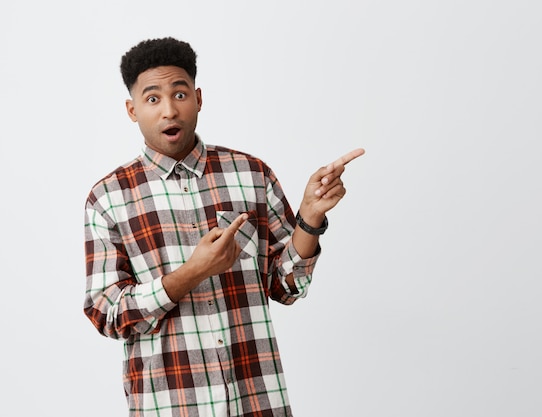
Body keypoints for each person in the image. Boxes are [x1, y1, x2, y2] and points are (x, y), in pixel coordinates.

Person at [83, 37, 364, 417]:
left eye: (179, 94)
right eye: (152, 99)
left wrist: (310, 216)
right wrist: (192, 272)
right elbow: (107, 313)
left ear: (198, 99)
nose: (169, 110)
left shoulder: (251, 174)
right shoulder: (109, 198)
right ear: (132, 110)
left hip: (257, 400)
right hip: (171, 406)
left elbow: (285, 286)